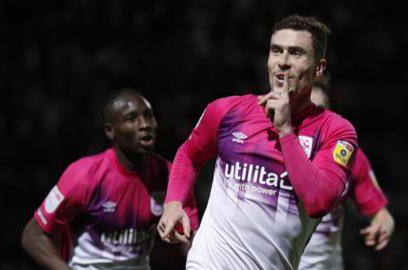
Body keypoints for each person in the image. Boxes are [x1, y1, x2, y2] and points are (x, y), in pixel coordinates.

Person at [157, 15, 359, 269]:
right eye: (276, 51)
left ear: (318, 68)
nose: (282, 62)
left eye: (295, 53)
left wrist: (285, 131)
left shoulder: (337, 132)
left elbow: (318, 201)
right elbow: (189, 154)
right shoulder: (229, 110)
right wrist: (174, 202)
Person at [21, 89, 199, 270]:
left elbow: (191, 238)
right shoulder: (85, 175)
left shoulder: (172, 176)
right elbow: (33, 235)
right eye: (132, 119)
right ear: (110, 131)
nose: (145, 124)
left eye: (149, 116)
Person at [299, 78, 395, 269]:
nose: (311, 121)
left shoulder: (348, 155)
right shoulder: (270, 148)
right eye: (305, 111)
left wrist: (383, 226)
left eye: (319, 112)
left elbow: (382, 215)